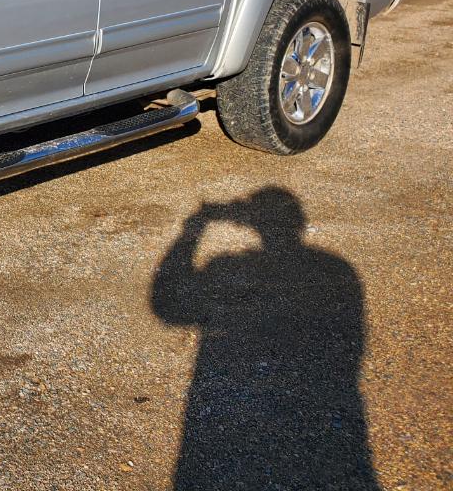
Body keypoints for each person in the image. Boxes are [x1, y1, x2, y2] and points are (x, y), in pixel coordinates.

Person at [151, 187, 379, 490]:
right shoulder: (336, 267)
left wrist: (193, 228)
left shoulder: (226, 266)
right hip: (335, 409)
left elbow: (168, 309)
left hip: (234, 410)